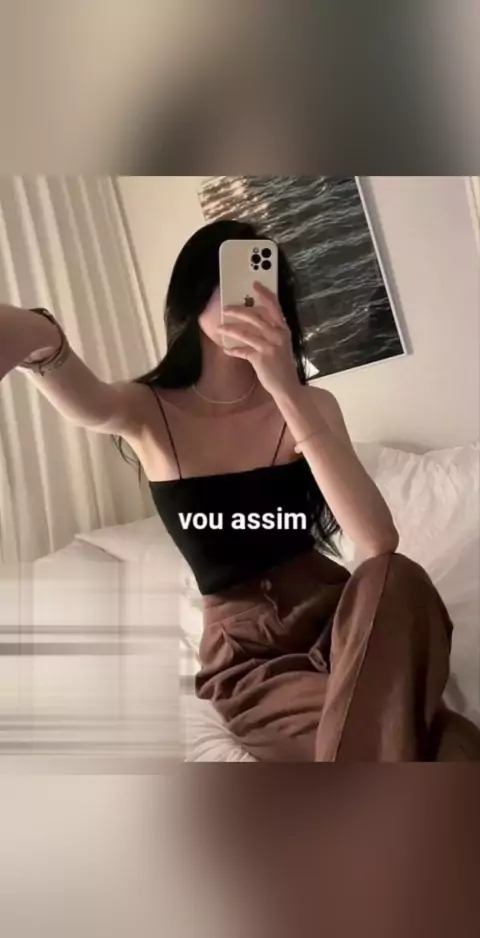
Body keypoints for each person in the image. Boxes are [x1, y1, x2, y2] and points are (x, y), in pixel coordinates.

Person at [1, 218, 479, 762]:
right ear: (193, 294)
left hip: (343, 621)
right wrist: (38, 336)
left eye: (263, 282)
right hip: (253, 658)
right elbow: (87, 404)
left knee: (397, 575)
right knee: (453, 749)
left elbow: (376, 540)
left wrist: (284, 388)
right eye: (230, 280)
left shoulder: (310, 405)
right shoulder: (146, 408)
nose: (248, 296)